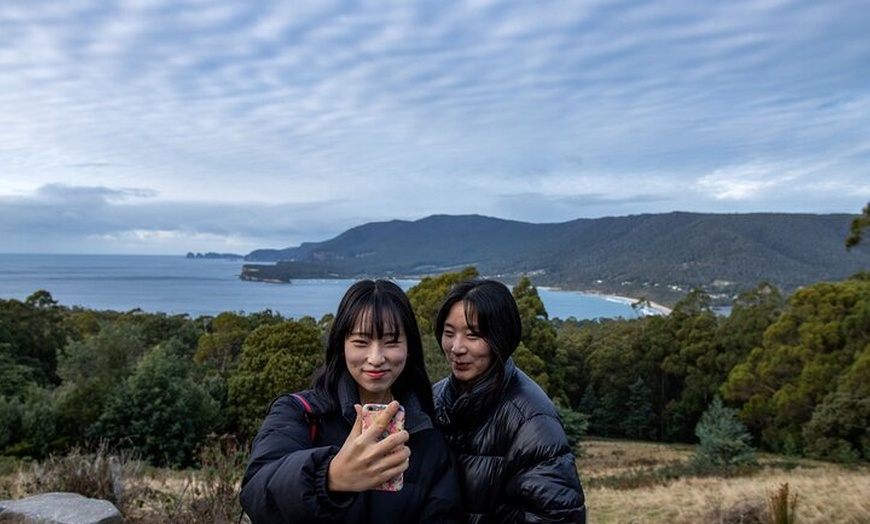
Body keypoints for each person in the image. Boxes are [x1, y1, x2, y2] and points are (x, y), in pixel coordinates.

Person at [241, 279, 461, 523]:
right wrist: (330, 478)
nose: (376, 358)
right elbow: (256, 494)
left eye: (391, 342)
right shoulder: (300, 413)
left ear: (409, 348)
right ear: (341, 345)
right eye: (361, 342)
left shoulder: (428, 434)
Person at [432, 279, 587, 523]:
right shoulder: (435, 397)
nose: (456, 347)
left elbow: (557, 517)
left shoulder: (532, 420)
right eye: (449, 333)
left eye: (473, 335)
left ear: (500, 339)